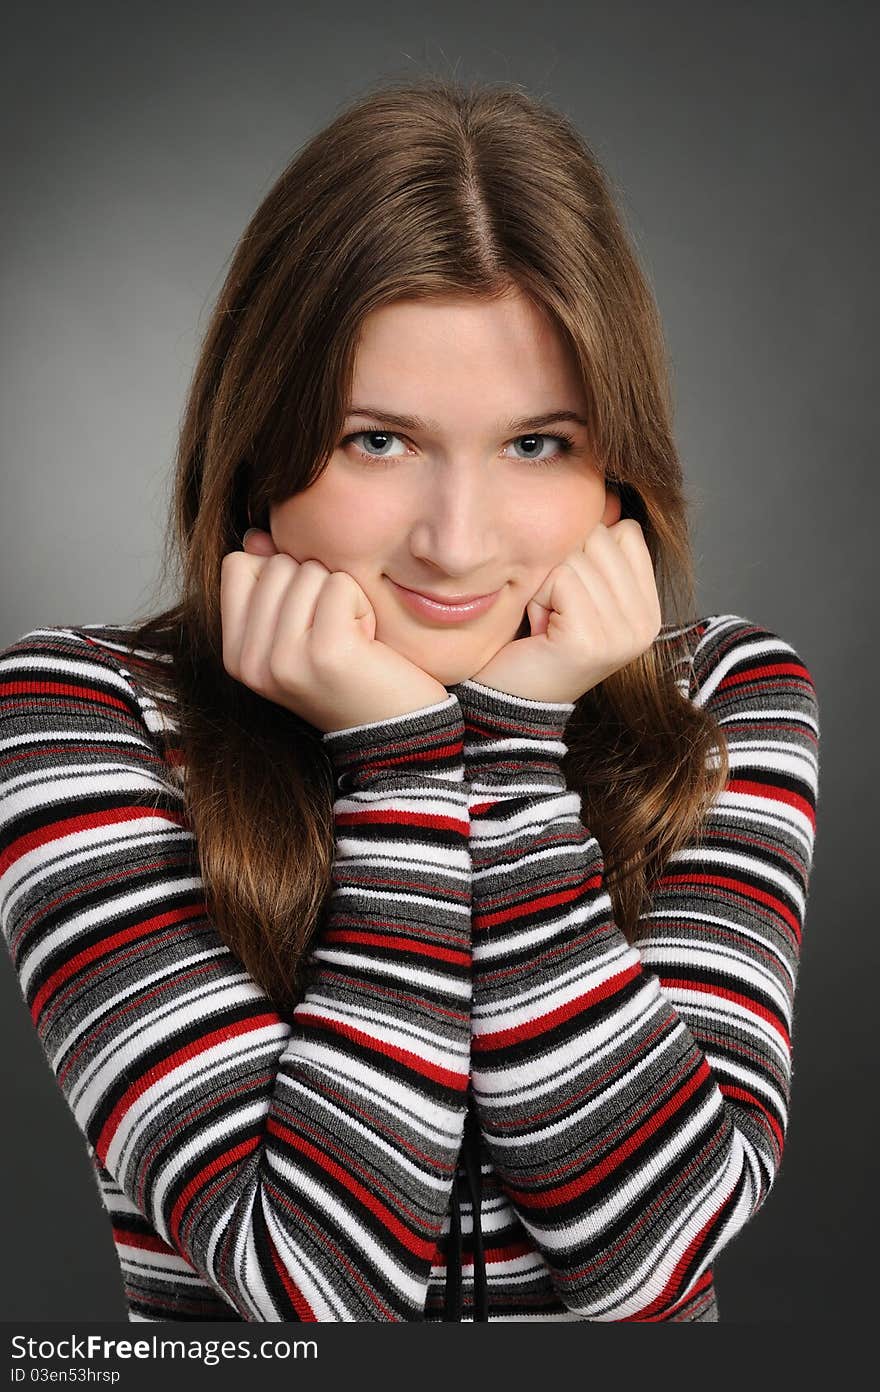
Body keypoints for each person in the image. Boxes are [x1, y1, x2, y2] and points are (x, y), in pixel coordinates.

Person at [0, 76, 820, 1324]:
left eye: (537, 443)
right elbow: (313, 1291)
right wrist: (402, 761)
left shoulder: (724, 699)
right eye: (375, 441)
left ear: (617, 478)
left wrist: (507, 745)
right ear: (262, 453)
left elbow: (657, 1263)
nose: (453, 541)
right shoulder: (79, 713)